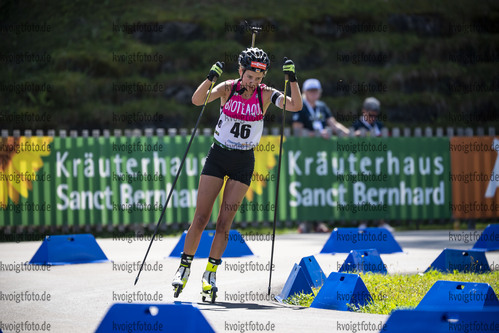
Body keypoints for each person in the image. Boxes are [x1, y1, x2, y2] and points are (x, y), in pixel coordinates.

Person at [171, 48, 303, 302]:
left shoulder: (264, 95)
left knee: (224, 222)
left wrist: (293, 80)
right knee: (200, 217)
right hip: (218, 157)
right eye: (249, 77)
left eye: (258, 78)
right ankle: (184, 267)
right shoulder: (228, 88)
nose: (253, 83)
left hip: (243, 161)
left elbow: (295, 106)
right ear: (241, 71)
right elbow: (197, 100)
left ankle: (210, 274)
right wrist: (210, 77)